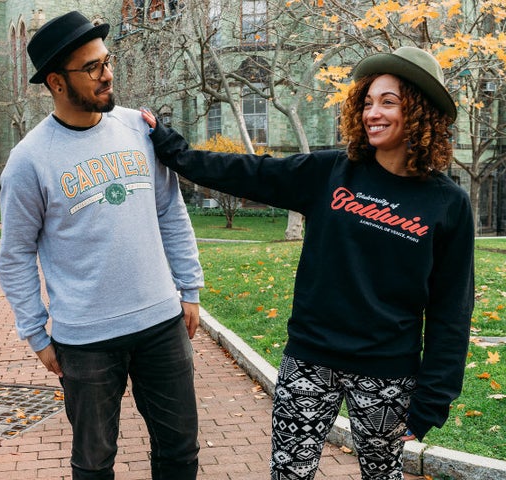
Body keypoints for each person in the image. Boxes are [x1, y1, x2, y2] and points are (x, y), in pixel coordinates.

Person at [142, 46, 474, 480]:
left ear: (419, 112)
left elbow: (452, 310)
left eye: (388, 102)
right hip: (310, 360)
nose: (374, 112)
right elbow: (250, 172)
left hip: (387, 372)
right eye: (368, 101)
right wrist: (174, 150)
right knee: (289, 473)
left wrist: (433, 398)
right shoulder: (333, 172)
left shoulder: (448, 204)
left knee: (382, 475)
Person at [0, 10, 204, 480]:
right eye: (92, 67)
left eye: (106, 61)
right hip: (86, 339)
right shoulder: (29, 161)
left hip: (160, 324)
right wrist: (36, 334)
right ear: (55, 82)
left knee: (179, 453)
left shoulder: (138, 129)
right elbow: (14, 257)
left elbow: (170, 210)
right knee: (93, 463)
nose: (107, 74)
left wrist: (189, 287)